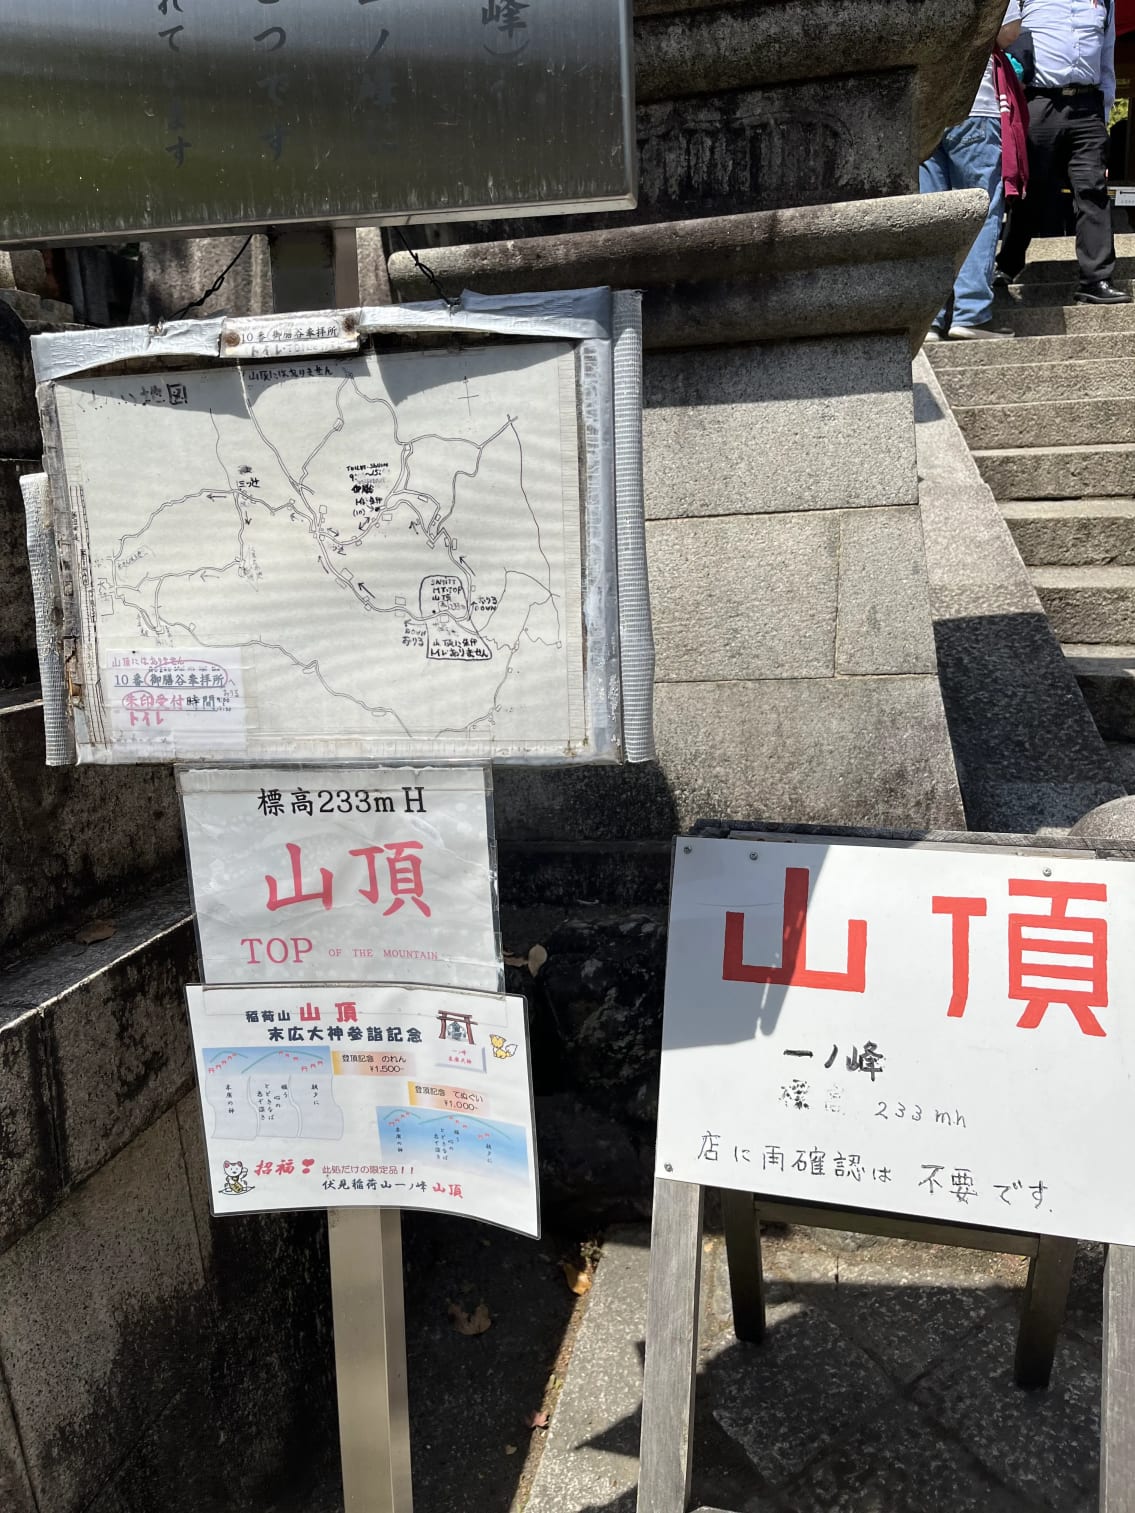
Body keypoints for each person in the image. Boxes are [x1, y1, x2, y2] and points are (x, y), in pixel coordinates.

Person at [996, 0, 1132, 304]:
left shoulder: (1104, 3)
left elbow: (1107, 61)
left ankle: (1096, 279)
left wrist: (1104, 116)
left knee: (1093, 191)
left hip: (1088, 105)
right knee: (1031, 191)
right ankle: (1007, 265)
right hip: (1039, 103)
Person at [920, 3, 1023, 340]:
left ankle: (931, 318)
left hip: (923, 108)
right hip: (975, 106)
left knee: (932, 216)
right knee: (981, 211)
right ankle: (972, 313)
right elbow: (1006, 32)